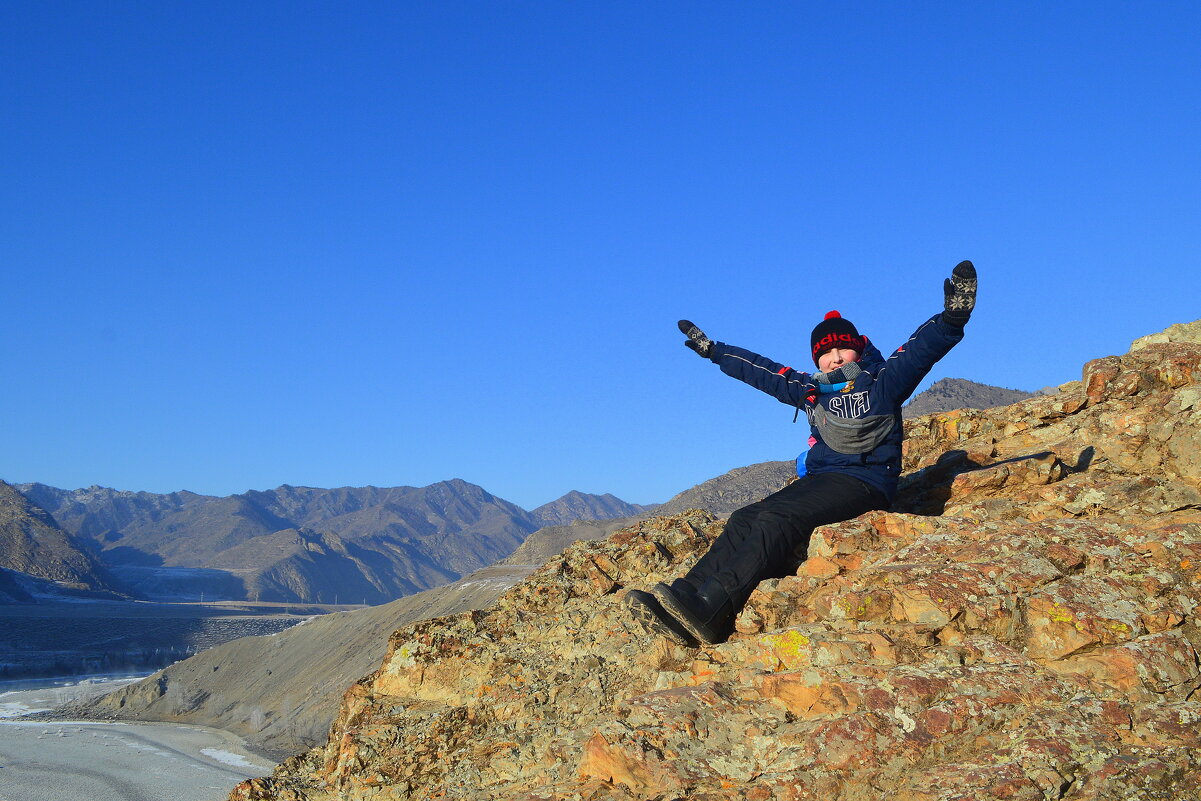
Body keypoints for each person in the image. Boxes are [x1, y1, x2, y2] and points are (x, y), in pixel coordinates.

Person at [628, 261, 977, 646]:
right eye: (825, 354)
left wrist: (951, 319)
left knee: (777, 519)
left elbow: (917, 353)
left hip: (865, 483)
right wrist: (716, 351)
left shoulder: (881, 383)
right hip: (822, 480)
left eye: (843, 348)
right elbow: (763, 371)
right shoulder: (812, 390)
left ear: (857, 349)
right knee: (746, 516)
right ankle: (685, 595)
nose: (835, 358)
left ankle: (713, 609)